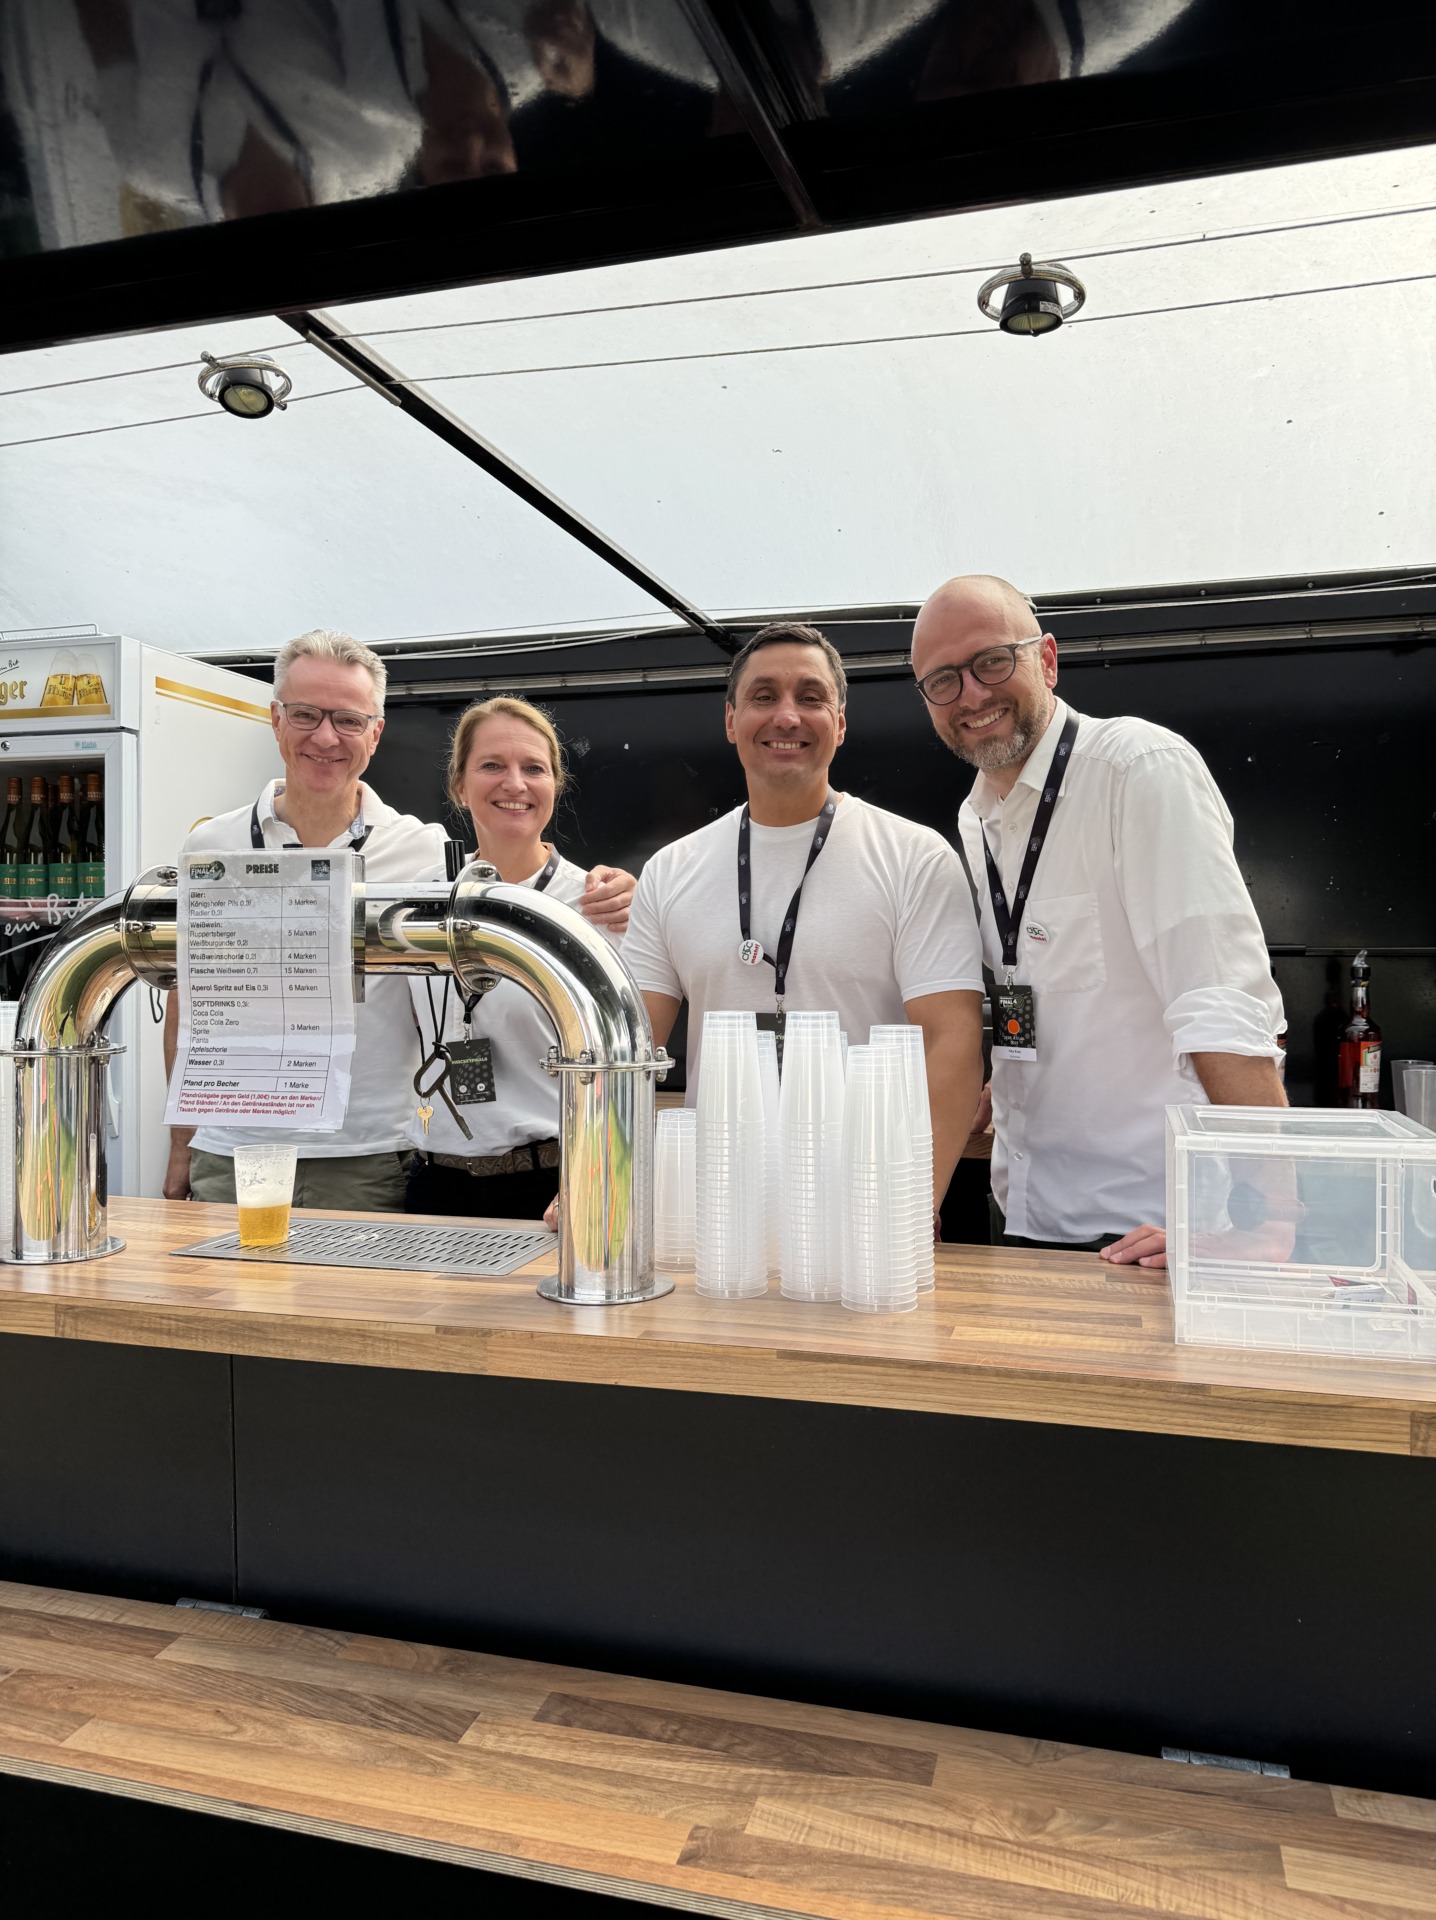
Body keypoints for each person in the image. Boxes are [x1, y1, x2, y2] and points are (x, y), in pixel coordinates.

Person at [164, 631, 631, 1212]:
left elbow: (521, 870)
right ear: (276, 719)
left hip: (370, 1156)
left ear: (375, 733)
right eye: (306, 714)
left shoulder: (426, 855)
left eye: (348, 720)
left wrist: (621, 890)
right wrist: (180, 1144)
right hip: (235, 1152)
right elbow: (189, 998)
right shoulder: (210, 846)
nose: (326, 737)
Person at [910, 574, 1287, 1269]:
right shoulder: (976, 816)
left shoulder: (1137, 769)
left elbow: (1221, 1000)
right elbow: (1050, 983)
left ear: (1047, 659)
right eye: (942, 680)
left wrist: (1267, 1222)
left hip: (1151, 1230)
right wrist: (1008, 1082)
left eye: (992, 661)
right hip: (1028, 1216)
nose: (972, 694)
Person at [622, 622, 986, 1224]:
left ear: (839, 723)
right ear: (731, 720)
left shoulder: (914, 857)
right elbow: (630, 1050)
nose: (787, 717)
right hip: (717, 1217)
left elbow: (951, 1040)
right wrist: (596, 1175)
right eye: (764, 696)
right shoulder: (670, 870)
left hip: (862, 1214)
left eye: (811, 697)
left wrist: (910, 1203)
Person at [404, 696, 623, 1220]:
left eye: (534, 768)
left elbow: (619, 1066)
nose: (515, 783)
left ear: (556, 785)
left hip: (552, 1189)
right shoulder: (421, 898)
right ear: (459, 786)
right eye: (492, 765)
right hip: (434, 1184)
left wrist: (593, 1178)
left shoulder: (597, 906)